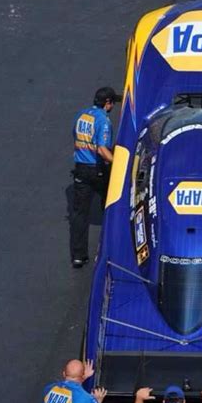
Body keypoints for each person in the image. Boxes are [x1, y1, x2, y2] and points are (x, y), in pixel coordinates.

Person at [70, 86, 121, 268]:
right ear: (107, 103)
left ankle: (78, 255)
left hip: (81, 169)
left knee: (79, 214)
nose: (113, 106)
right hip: (98, 169)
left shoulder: (81, 115)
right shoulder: (103, 121)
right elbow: (102, 149)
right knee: (112, 207)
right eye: (113, 102)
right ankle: (111, 251)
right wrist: (119, 163)